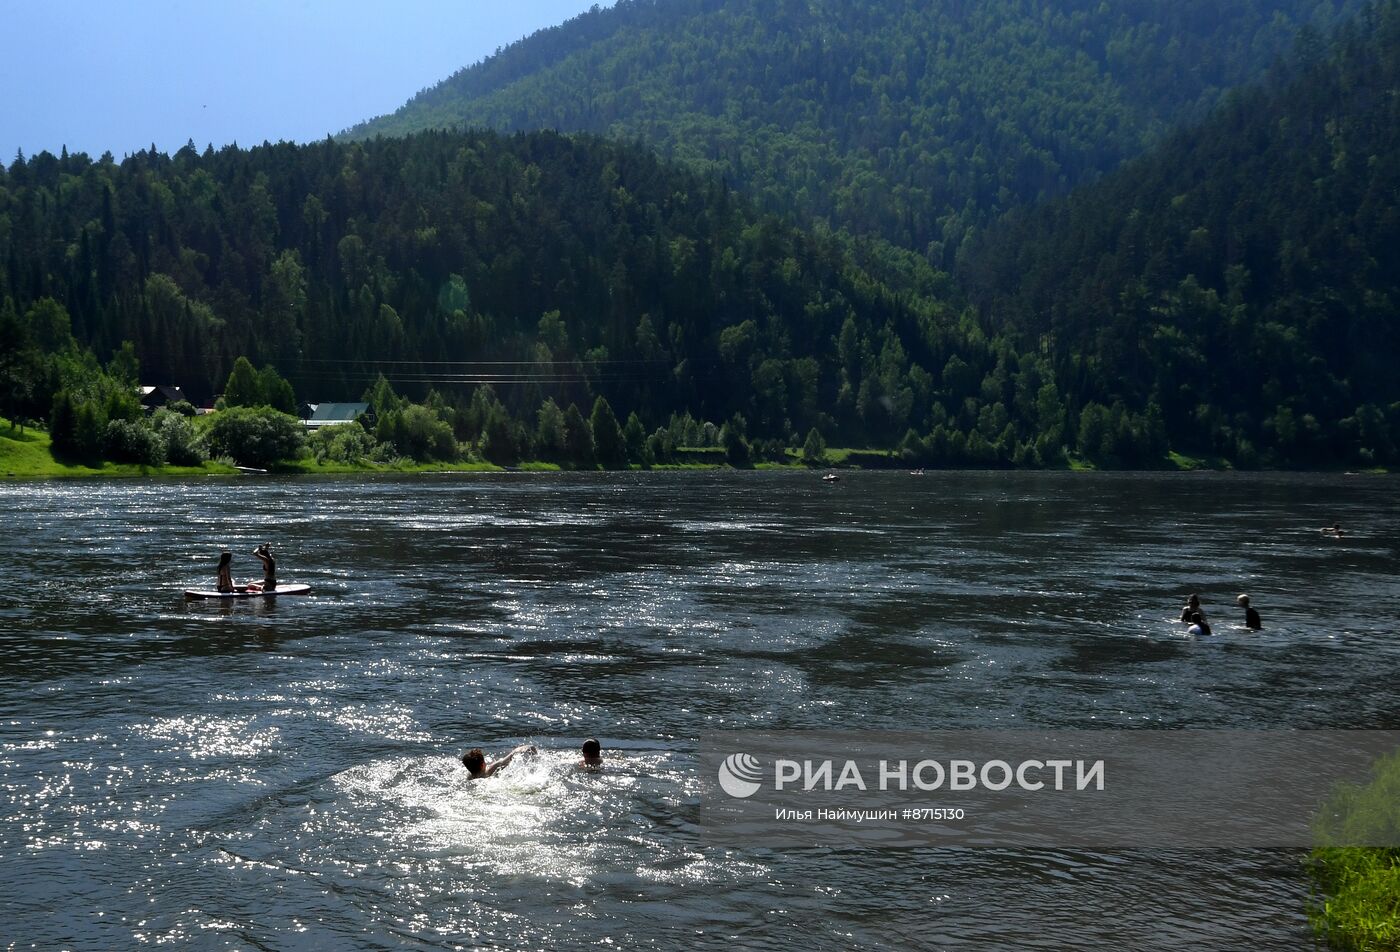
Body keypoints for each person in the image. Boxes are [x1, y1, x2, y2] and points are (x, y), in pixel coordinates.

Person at [461, 743, 535, 779]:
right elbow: (513, 754)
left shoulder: (469, 777)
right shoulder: (491, 769)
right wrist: (530, 747)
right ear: (482, 765)